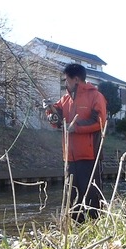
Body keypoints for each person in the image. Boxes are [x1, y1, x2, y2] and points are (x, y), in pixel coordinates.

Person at [43, 63, 108, 223]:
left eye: (67, 79)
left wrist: (75, 128)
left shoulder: (96, 96)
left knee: (92, 195)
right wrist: (49, 110)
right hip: (69, 158)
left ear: (76, 79)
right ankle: (75, 228)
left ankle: (96, 226)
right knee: (71, 196)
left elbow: (99, 121)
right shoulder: (65, 99)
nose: (65, 83)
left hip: (90, 156)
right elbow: (56, 122)